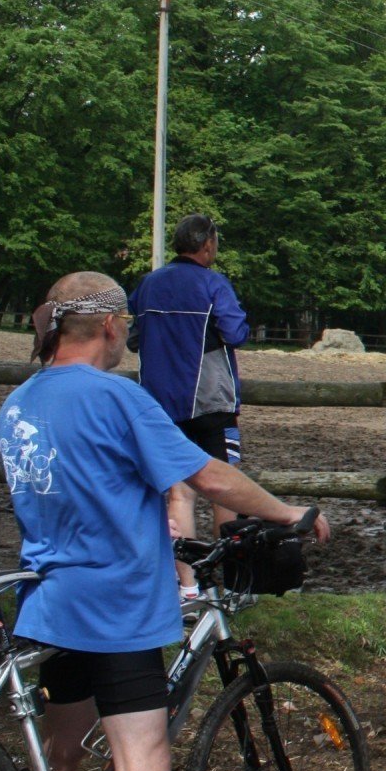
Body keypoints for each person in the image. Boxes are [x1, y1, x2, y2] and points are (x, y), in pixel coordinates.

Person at [0, 272, 329, 771]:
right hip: (117, 603)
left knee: (64, 745)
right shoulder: (117, 395)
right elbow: (210, 477)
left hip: (53, 601)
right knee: (141, 767)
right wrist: (284, 513)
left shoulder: (19, 402)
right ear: (113, 326)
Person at [128, 214, 249, 596]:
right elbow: (236, 332)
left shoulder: (148, 285)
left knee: (179, 492)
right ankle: (229, 581)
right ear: (207, 244)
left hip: (160, 404)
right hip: (211, 401)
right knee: (225, 490)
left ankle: (188, 585)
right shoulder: (214, 284)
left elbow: (133, 339)